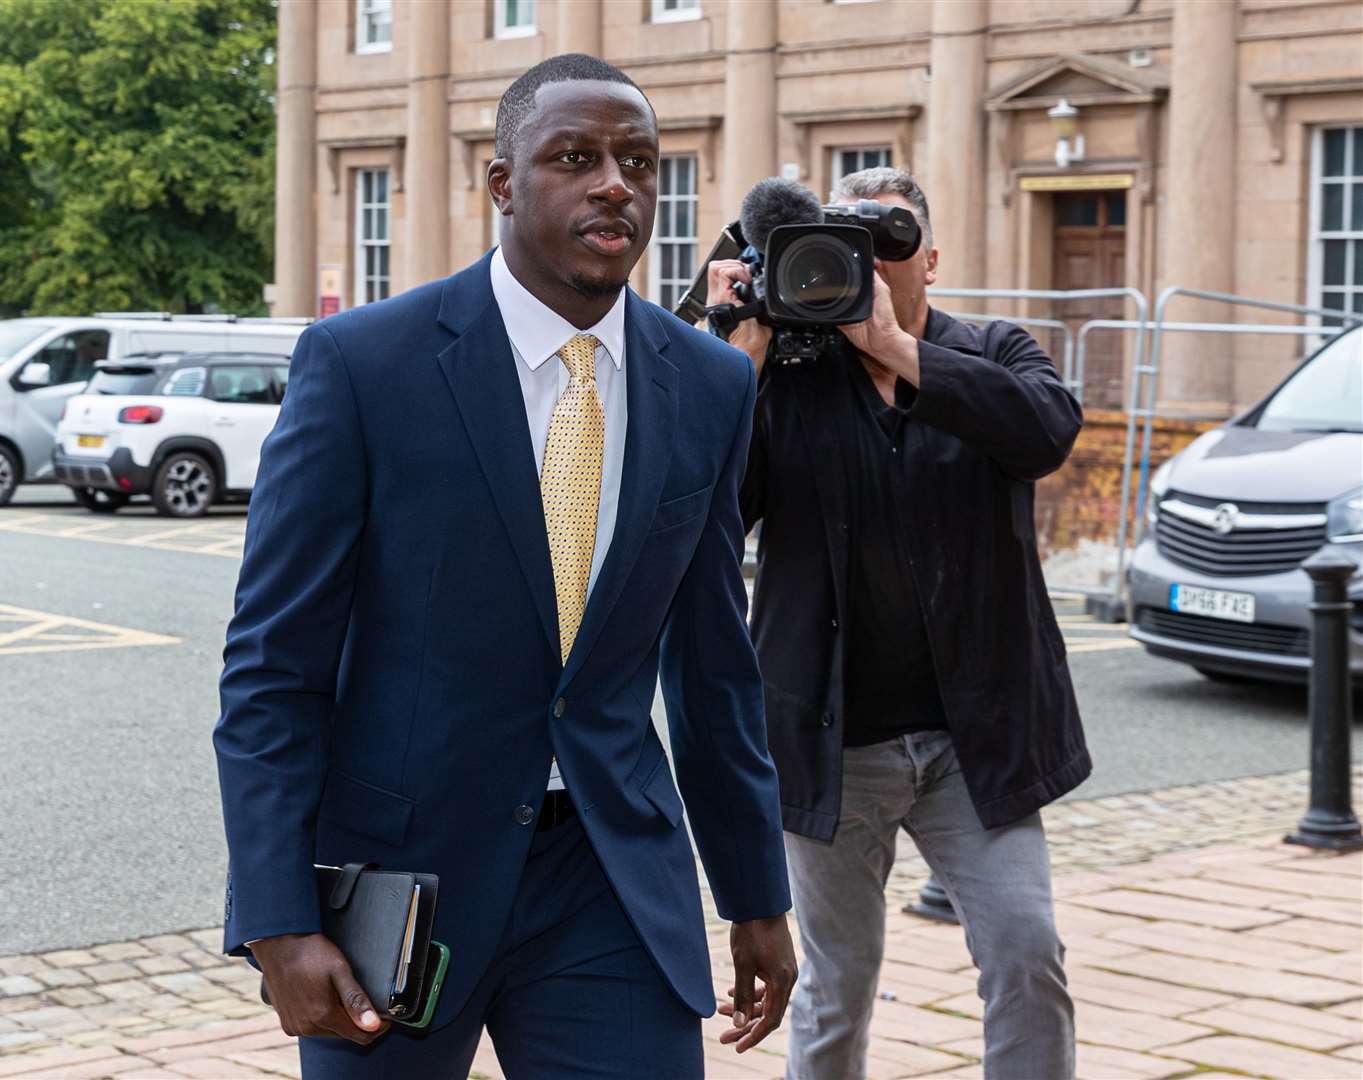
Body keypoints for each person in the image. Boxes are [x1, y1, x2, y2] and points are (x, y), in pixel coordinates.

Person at [214, 53, 796, 1080]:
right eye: (574, 157)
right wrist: (274, 918)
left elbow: (713, 670)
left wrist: (755, 896)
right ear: (501, 183)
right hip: (401, 889)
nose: (612, 183)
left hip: (610, 878)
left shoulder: (707, 383)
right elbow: (273, 666)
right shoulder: (364, 366)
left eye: (636, 162)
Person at [706, 166, 1086, 1080]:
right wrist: (736, 350)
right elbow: (709, 506)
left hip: (974, 739)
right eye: (842, 239)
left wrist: (891, 346)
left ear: (932, 259)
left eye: (891, 237)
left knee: (1027, 955)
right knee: (838, 982)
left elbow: (1045, 430)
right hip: (831, 744)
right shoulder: (789, 384)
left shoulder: (992, 350)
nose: (868, 257)